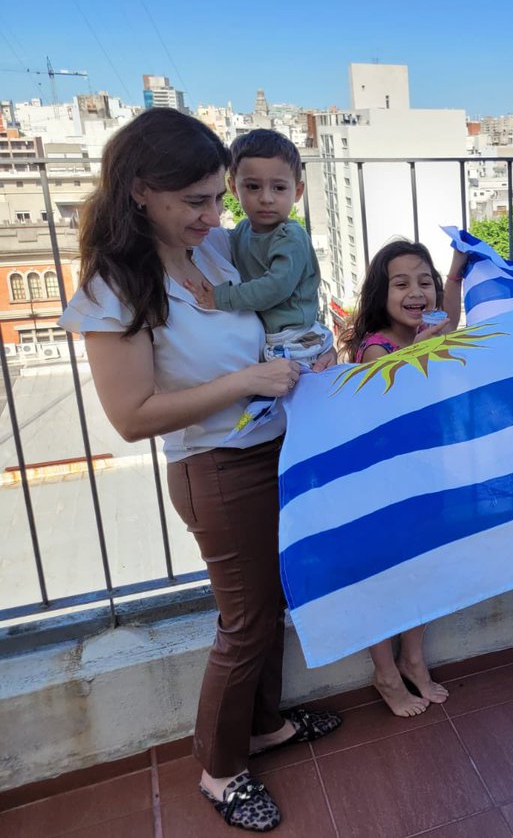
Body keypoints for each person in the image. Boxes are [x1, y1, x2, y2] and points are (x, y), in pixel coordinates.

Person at [59, 108, 342, 832]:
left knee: (271, 602)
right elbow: (133, 415)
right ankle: (220, 771)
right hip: (216, 466)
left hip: (272, 448)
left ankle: (265, 727)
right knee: (245, 621)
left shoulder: (216, 253)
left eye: (219, 197)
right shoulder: (114, 286)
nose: (215, 214)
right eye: (196, 200)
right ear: (139, 192)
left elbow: (270, 318)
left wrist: (306, 356)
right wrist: (247, 382)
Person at [338, 239, 464, 716]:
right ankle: (385, 674)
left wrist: (453, 271)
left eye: (424, 282)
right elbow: (398, 397)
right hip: (382, 487)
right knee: (384, 579)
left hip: (426, 475)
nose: (417, 293)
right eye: (401, 283)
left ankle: (413, 659)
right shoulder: (376, 347)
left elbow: (448, 318)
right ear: (380, 294)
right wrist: (425, 346)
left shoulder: (430, 331)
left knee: (423, 572)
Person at [188, 129, 332, 367]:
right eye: (253, 187)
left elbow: (275, 287)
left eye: (279, 188)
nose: (266, 198)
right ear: (234, 189)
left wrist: (221, 297)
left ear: (297, 192)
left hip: (293, 335)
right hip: (273, 335)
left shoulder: (291, 236)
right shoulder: (242, 231)